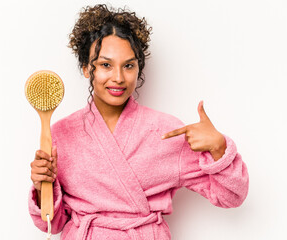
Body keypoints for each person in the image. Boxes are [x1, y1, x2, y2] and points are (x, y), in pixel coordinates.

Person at [28, 4, 249, 240]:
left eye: (129, 66)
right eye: (105, 65)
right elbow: (52, 223)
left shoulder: (167, 131)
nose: (119, 77)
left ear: (138, 69)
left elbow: (232, 196)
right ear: (85, 67)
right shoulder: (61, 133)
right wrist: (43, 187)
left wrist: (219, 148)